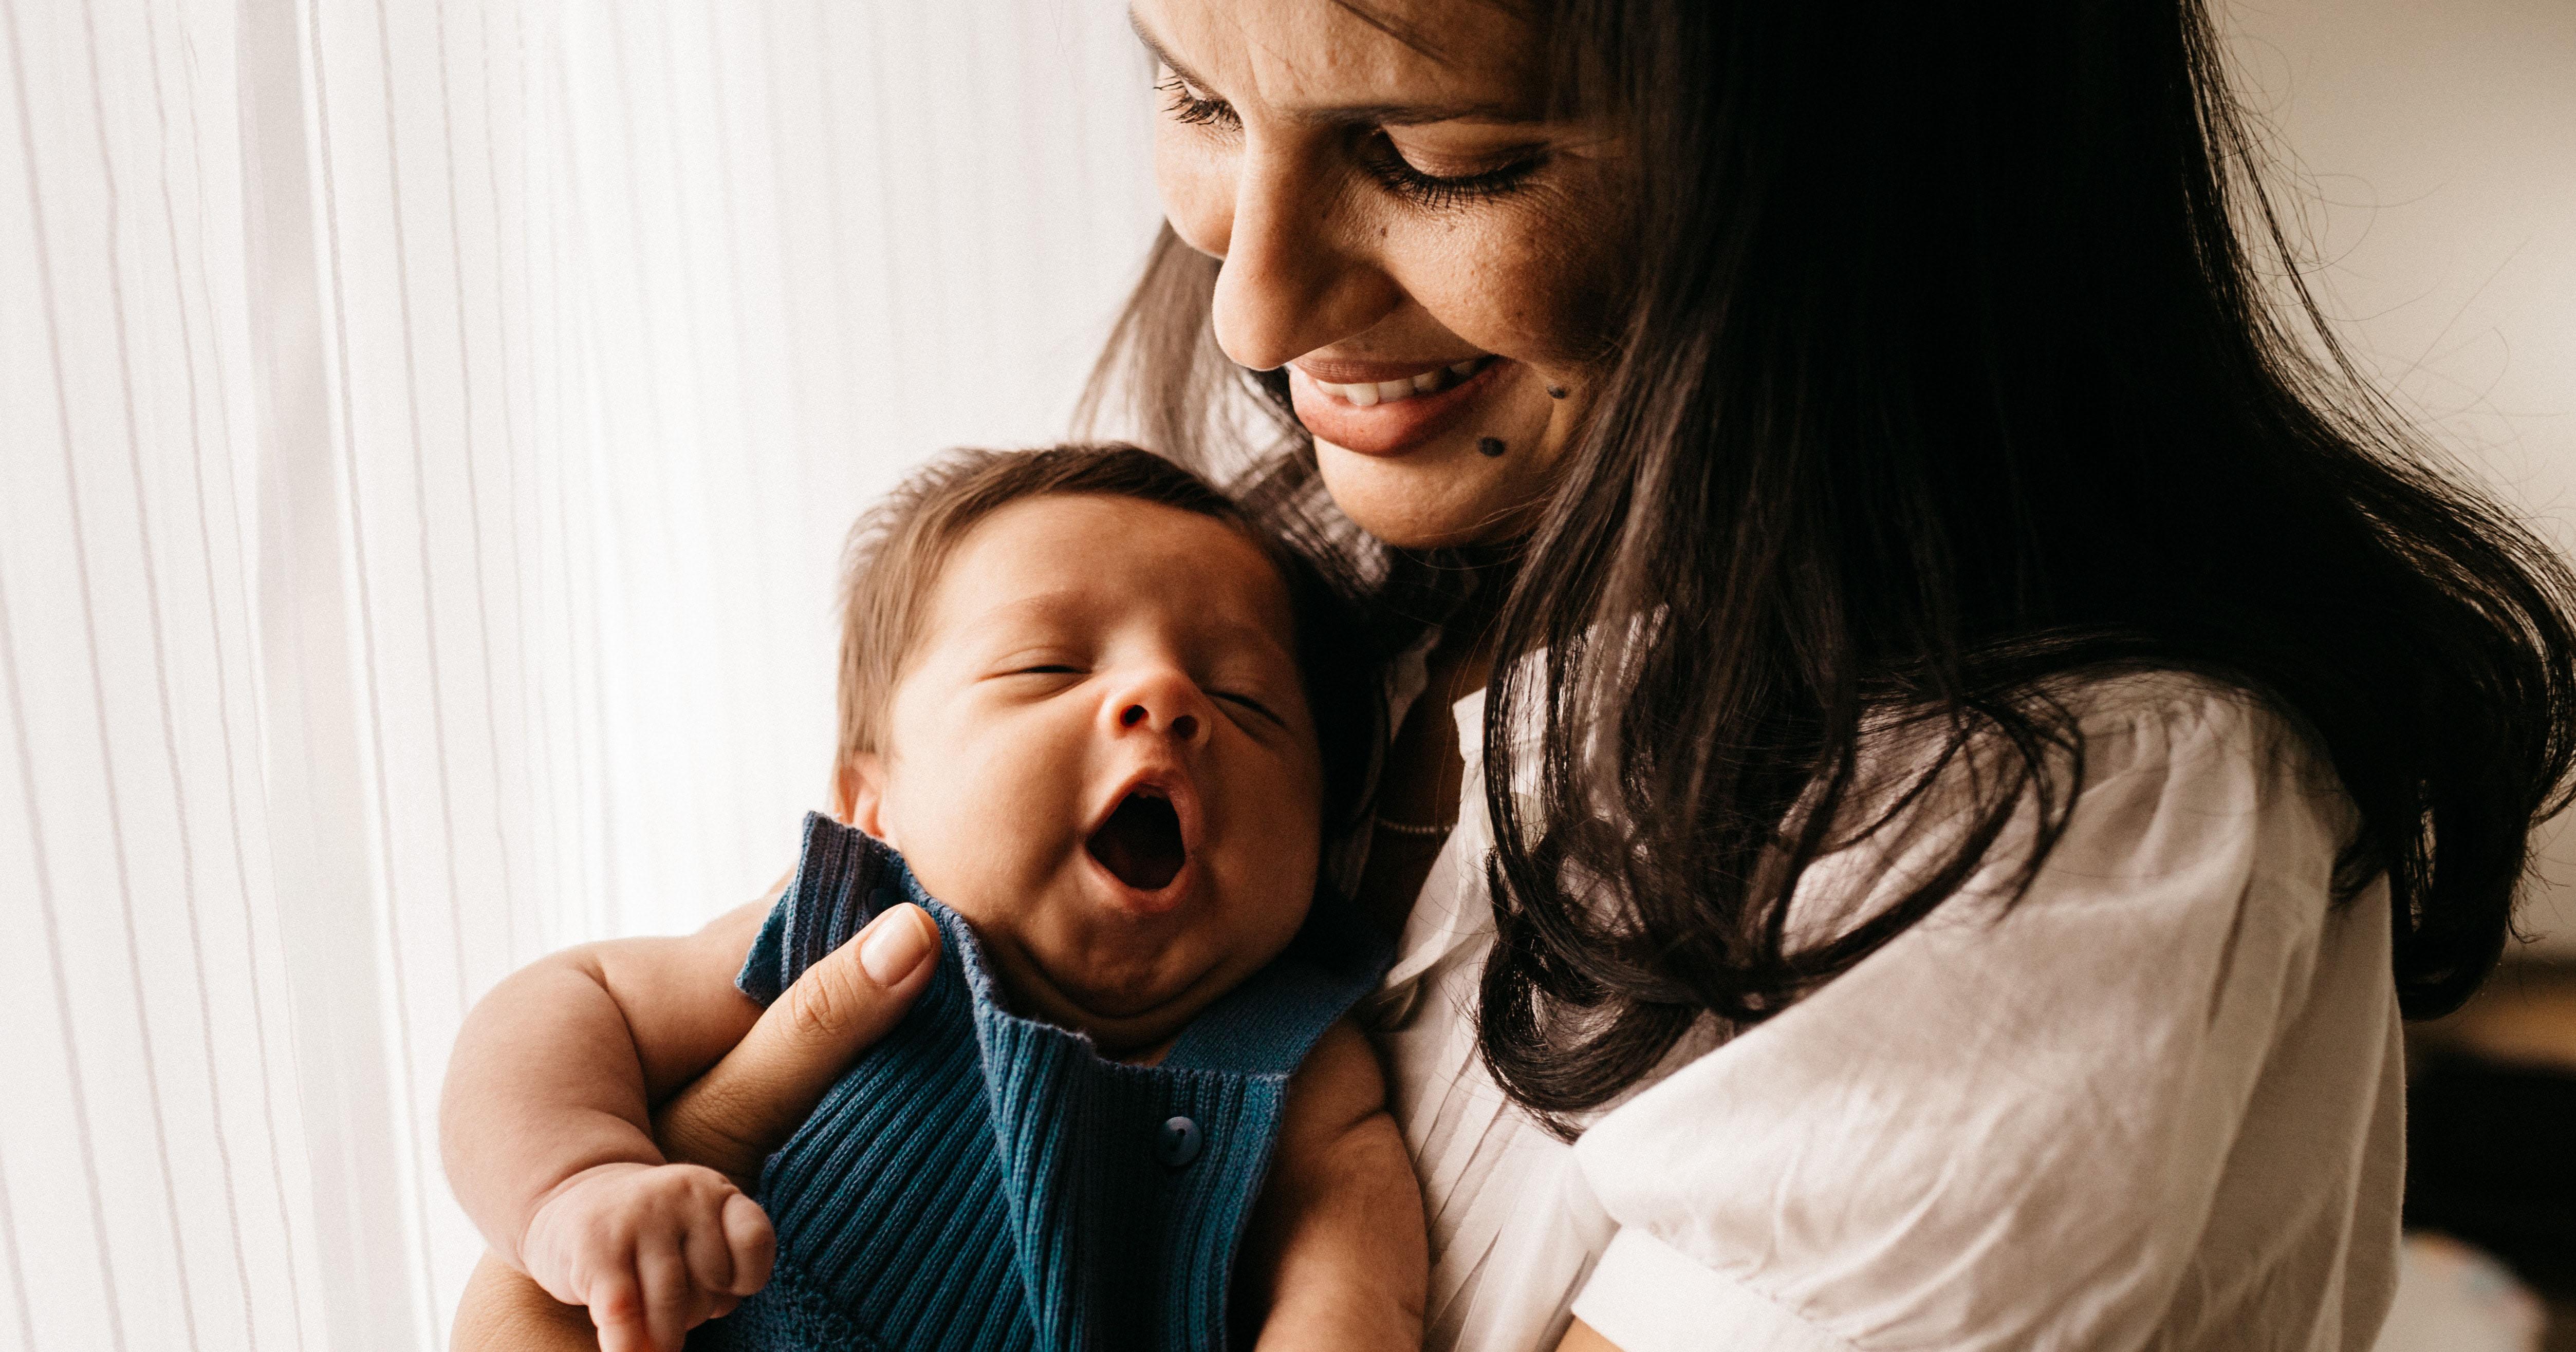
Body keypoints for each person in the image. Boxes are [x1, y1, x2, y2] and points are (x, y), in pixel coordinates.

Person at [456, 1, 2576, 1348]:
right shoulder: (1309, 580)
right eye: (1191, 91)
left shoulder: (2050, 827)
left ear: (1859, 183)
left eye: (1440, 156)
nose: (1253, 308)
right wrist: (569, 1214)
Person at [440, 447, 1424, 1351]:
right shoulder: (848, 936)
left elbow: (1355, 1286)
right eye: (1048, 666)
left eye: (1247, 699)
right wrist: (582, 1183)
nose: (1165, 697)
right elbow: (570, 1002)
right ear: (873, 804)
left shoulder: (1298, 1060)